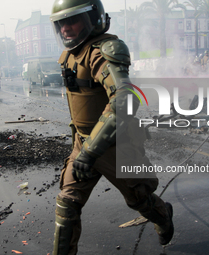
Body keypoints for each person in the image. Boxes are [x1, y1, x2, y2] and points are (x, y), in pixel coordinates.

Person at [50, 0, 174, 254]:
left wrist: (90, 152)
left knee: (139, 200)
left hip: (115, 147)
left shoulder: (102, 52)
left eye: (72, 20)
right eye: (61, 23)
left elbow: (125, 98)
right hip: (83, 144)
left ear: (92, 18)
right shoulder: (72, 54)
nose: (66, 28)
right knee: (67, 206)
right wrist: (83, 149)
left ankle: (163, 216)